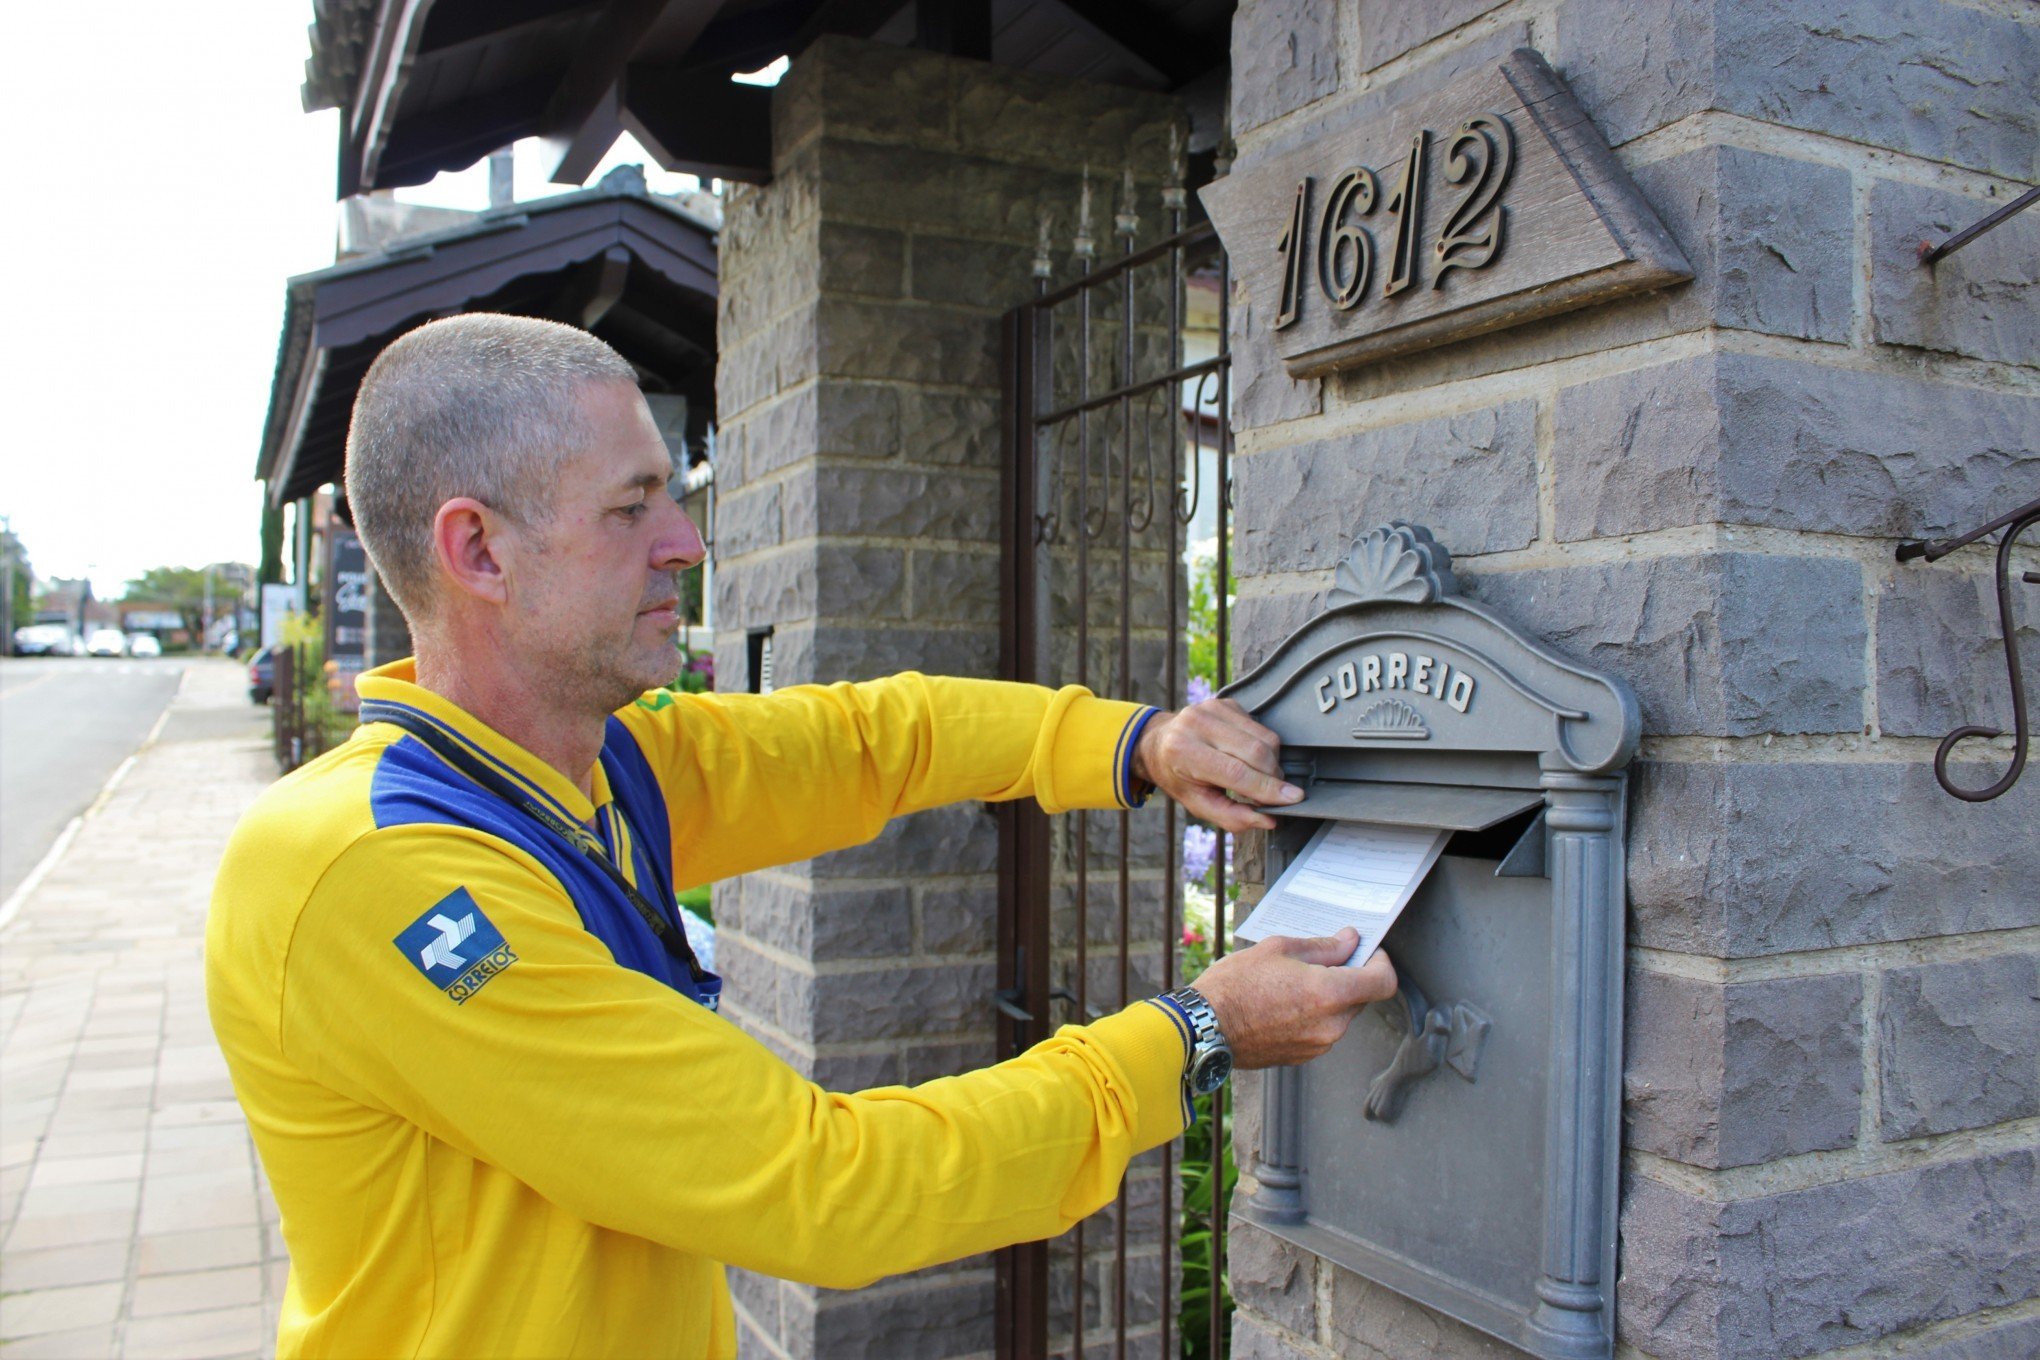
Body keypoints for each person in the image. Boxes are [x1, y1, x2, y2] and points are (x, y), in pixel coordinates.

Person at [206, 314, 1397, 1359]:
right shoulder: (385, 871)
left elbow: (881, 739)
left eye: (672, 494)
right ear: (478, 551)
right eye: (633, 507)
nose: (687, 540)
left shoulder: (595, 762)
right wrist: (1194, 1034)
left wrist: (1137, 742)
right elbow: (826, 1190)